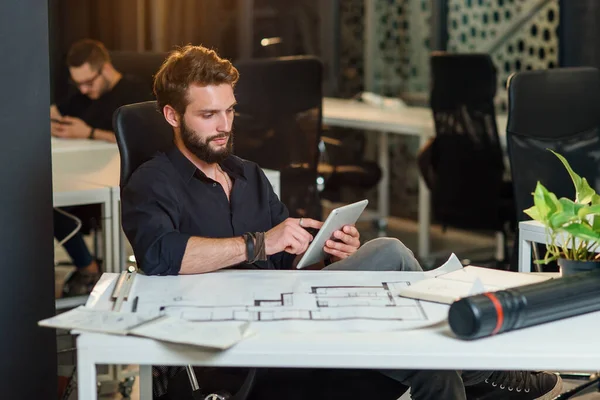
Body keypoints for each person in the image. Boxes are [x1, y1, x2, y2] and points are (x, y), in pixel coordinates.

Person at [120, 45, 563, 400]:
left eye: (230, 111)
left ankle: (475, 366)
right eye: (208, 115)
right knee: (389, 252)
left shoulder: (249, 174)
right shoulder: (154, 181)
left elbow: (285, 266)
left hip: (294, 313)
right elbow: (159, 255)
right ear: (172, 116)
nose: (223, 126)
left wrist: (323, 254)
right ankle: (487, 367)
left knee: (434, 366)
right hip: (241, 340)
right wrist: (258, 243)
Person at [52, 39, 153, 296]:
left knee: (52, 209)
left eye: (89, 82)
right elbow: (57, 112)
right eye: (79, 84)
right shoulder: (85, 97)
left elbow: (143, 136)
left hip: (118, 178)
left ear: (105, 69)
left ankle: (89, 270)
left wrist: (89, 132)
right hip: (84, 172)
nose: (84, 90)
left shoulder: (134, 91)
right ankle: (89, 267)